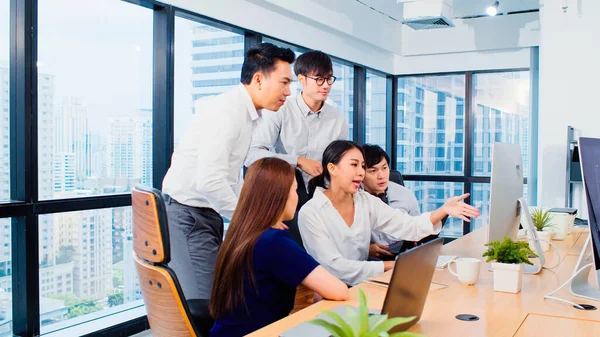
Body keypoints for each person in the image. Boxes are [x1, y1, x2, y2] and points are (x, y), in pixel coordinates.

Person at [161, 43, 296, 334]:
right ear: (259, 79)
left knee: (228, 295)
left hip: (205, 214)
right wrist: (254, 222)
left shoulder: (246, 114)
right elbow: (210, 181)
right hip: (188, 216)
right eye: (285, 82)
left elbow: (231, 177)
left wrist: (255, 219)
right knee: (208, 308)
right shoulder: (227, 112)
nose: (288, 92)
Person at [298, 140, 480, 286]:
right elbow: (334, 266)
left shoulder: (366, 201)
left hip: (365, 284)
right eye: (354, 165)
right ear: (332, 168)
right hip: (331, 288)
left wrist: (443, 210)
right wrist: (392, 266)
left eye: (362, 166)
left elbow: (407, 225)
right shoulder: (311, 213)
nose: (361, 172)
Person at [210, 158, 348, 336]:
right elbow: (339, 291)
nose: (297, 196)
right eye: (294, 189)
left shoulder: (241, 233)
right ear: (280, 195)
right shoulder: (274, 242)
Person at [244, 50, 348, 246]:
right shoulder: (280, 109)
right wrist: (298, 161)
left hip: (323, 198)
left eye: (329, 79)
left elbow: (340, 163)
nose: (325, 85)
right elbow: (252, 154)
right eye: (318, 79)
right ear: (301, 79)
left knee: (325, 254)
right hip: (286, 197)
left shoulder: (337, 118)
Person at [362, 144, 422, 260]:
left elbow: (417, 226)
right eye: (373, 171)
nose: (381, 176)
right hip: (368, 261)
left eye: (384, 168)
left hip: (403, 256)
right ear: (361, 173)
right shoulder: (353, 198)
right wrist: (367, 249)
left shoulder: (405, 194)